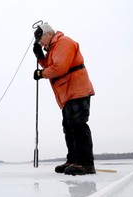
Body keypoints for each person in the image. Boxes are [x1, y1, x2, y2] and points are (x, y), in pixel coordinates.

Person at [33, 23, 96, 175]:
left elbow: (59, 68)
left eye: (40, 39)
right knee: (68, 126)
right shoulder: (53, 48)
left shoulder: (63, 42)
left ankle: (86, 163)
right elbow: (50, 64)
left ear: (48, 34)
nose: (40, 43)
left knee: (78, 124)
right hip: (67, 94)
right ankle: (74, 160)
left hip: (77, 90)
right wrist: (40, 56)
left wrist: (41, 74)